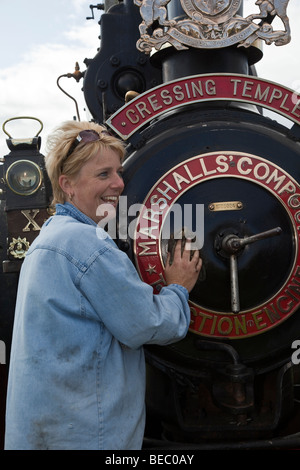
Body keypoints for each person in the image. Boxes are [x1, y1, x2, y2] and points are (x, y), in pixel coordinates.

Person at [4, 121, 202, 450]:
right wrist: (178, 288)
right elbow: (148, 325)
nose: (119, 184)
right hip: (87, 435)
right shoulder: (86, 244)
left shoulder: (50, 237)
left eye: (119, 172)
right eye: (103, 175)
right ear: (67, 184)